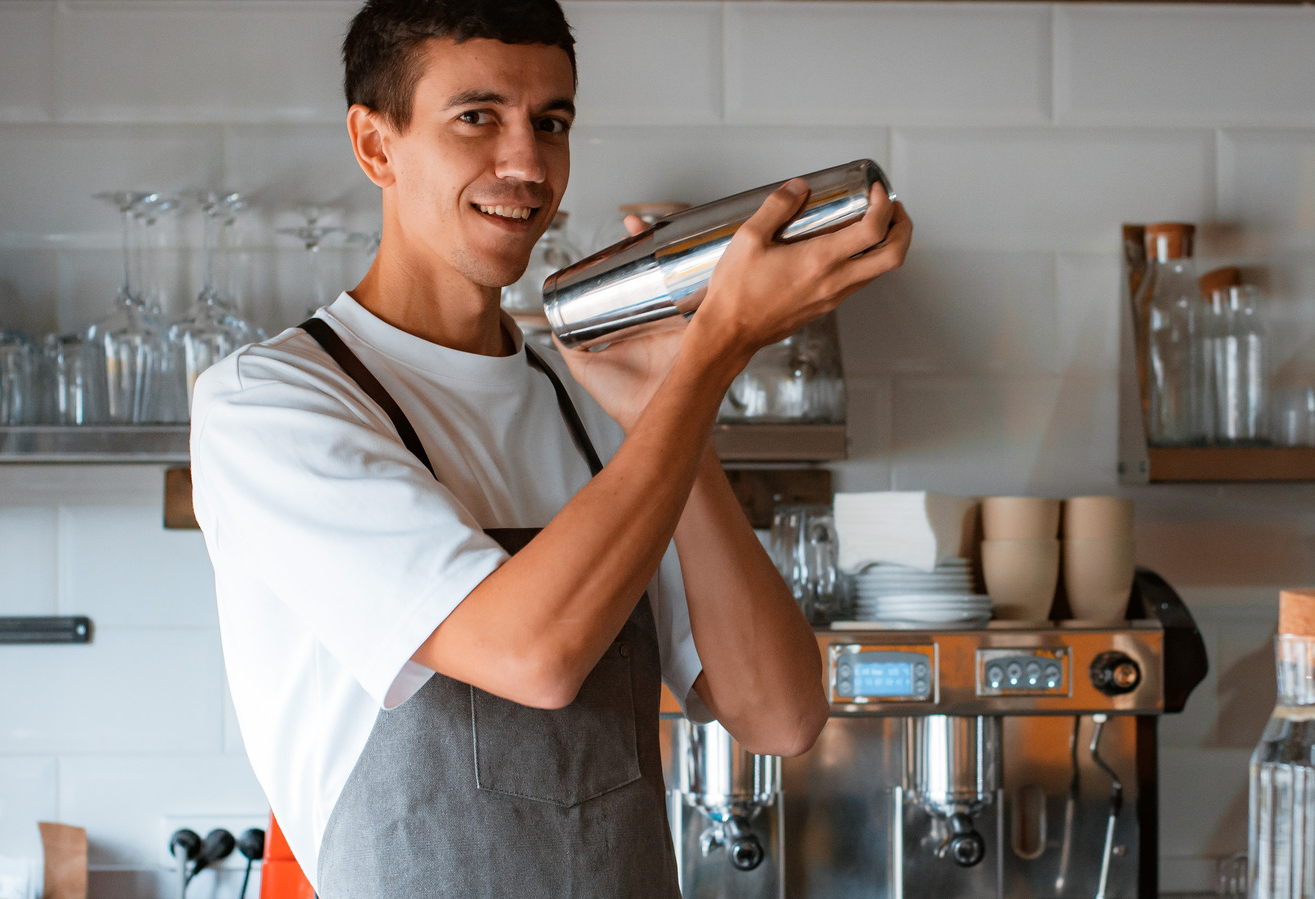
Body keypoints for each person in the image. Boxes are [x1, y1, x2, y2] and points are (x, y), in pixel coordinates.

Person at [190, 0, 912, 895]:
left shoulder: (594, 407)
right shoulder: (272, 403)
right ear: (377, 146)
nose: (527, 164)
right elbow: (534, 651)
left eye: (552, 122)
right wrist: (714, 351)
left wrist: (663, 399)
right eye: (477, 117)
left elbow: (780, 711)